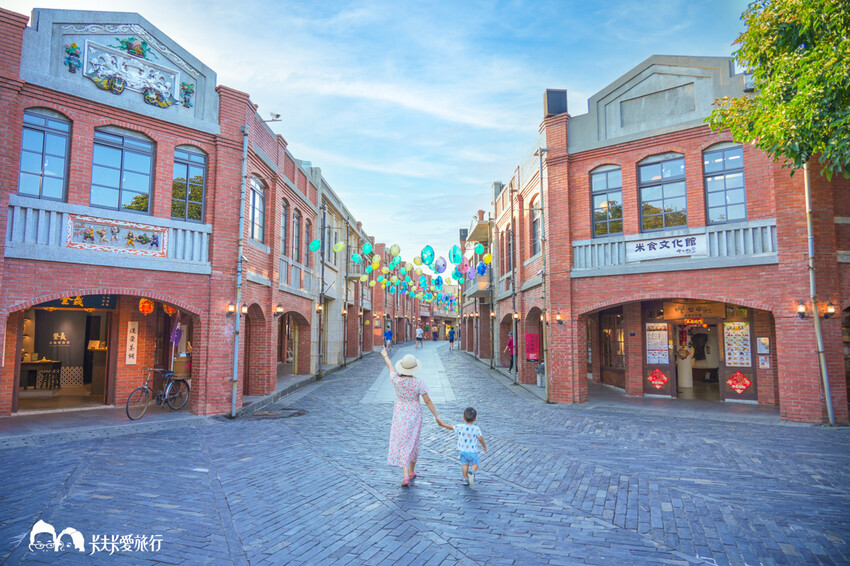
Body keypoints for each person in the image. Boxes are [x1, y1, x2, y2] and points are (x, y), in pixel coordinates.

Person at [382, 348, 442, 486]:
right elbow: (427, 400)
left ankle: (405, 475)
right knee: (413, 441)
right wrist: (436, 416)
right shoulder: (419, 382)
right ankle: (412, 471)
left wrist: (385, 355)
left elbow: (390, 366)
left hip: (400, 413)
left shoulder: (396, 380)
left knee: (403, 442)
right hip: (414, 414)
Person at [438, 407, 487, 486]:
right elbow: (480, 438)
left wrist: (443, 424)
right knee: (475, 464)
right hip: (473, 451)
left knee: (465, 464)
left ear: (463, 417)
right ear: (475, 419)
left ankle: (465, 479)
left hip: (463, 451)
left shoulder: (460, 427)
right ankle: (472, 472)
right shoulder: (476, 428)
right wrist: (484, 446)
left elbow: (451, 427)